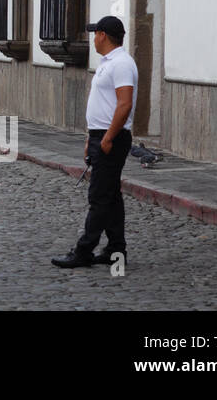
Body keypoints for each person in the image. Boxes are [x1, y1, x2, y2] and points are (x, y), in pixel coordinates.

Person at [53, 16, 137, 269]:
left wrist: (108, 138)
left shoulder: (121, 63)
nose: (93, 38)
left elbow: (125, 103)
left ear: (103, 35)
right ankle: (115, 249)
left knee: (99, 197)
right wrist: (92, 137)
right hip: (101, 135)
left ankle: (84, 250)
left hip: (112, 137)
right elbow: (105, 104)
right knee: (111, 196)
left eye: (95, 33)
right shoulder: (108, 63)